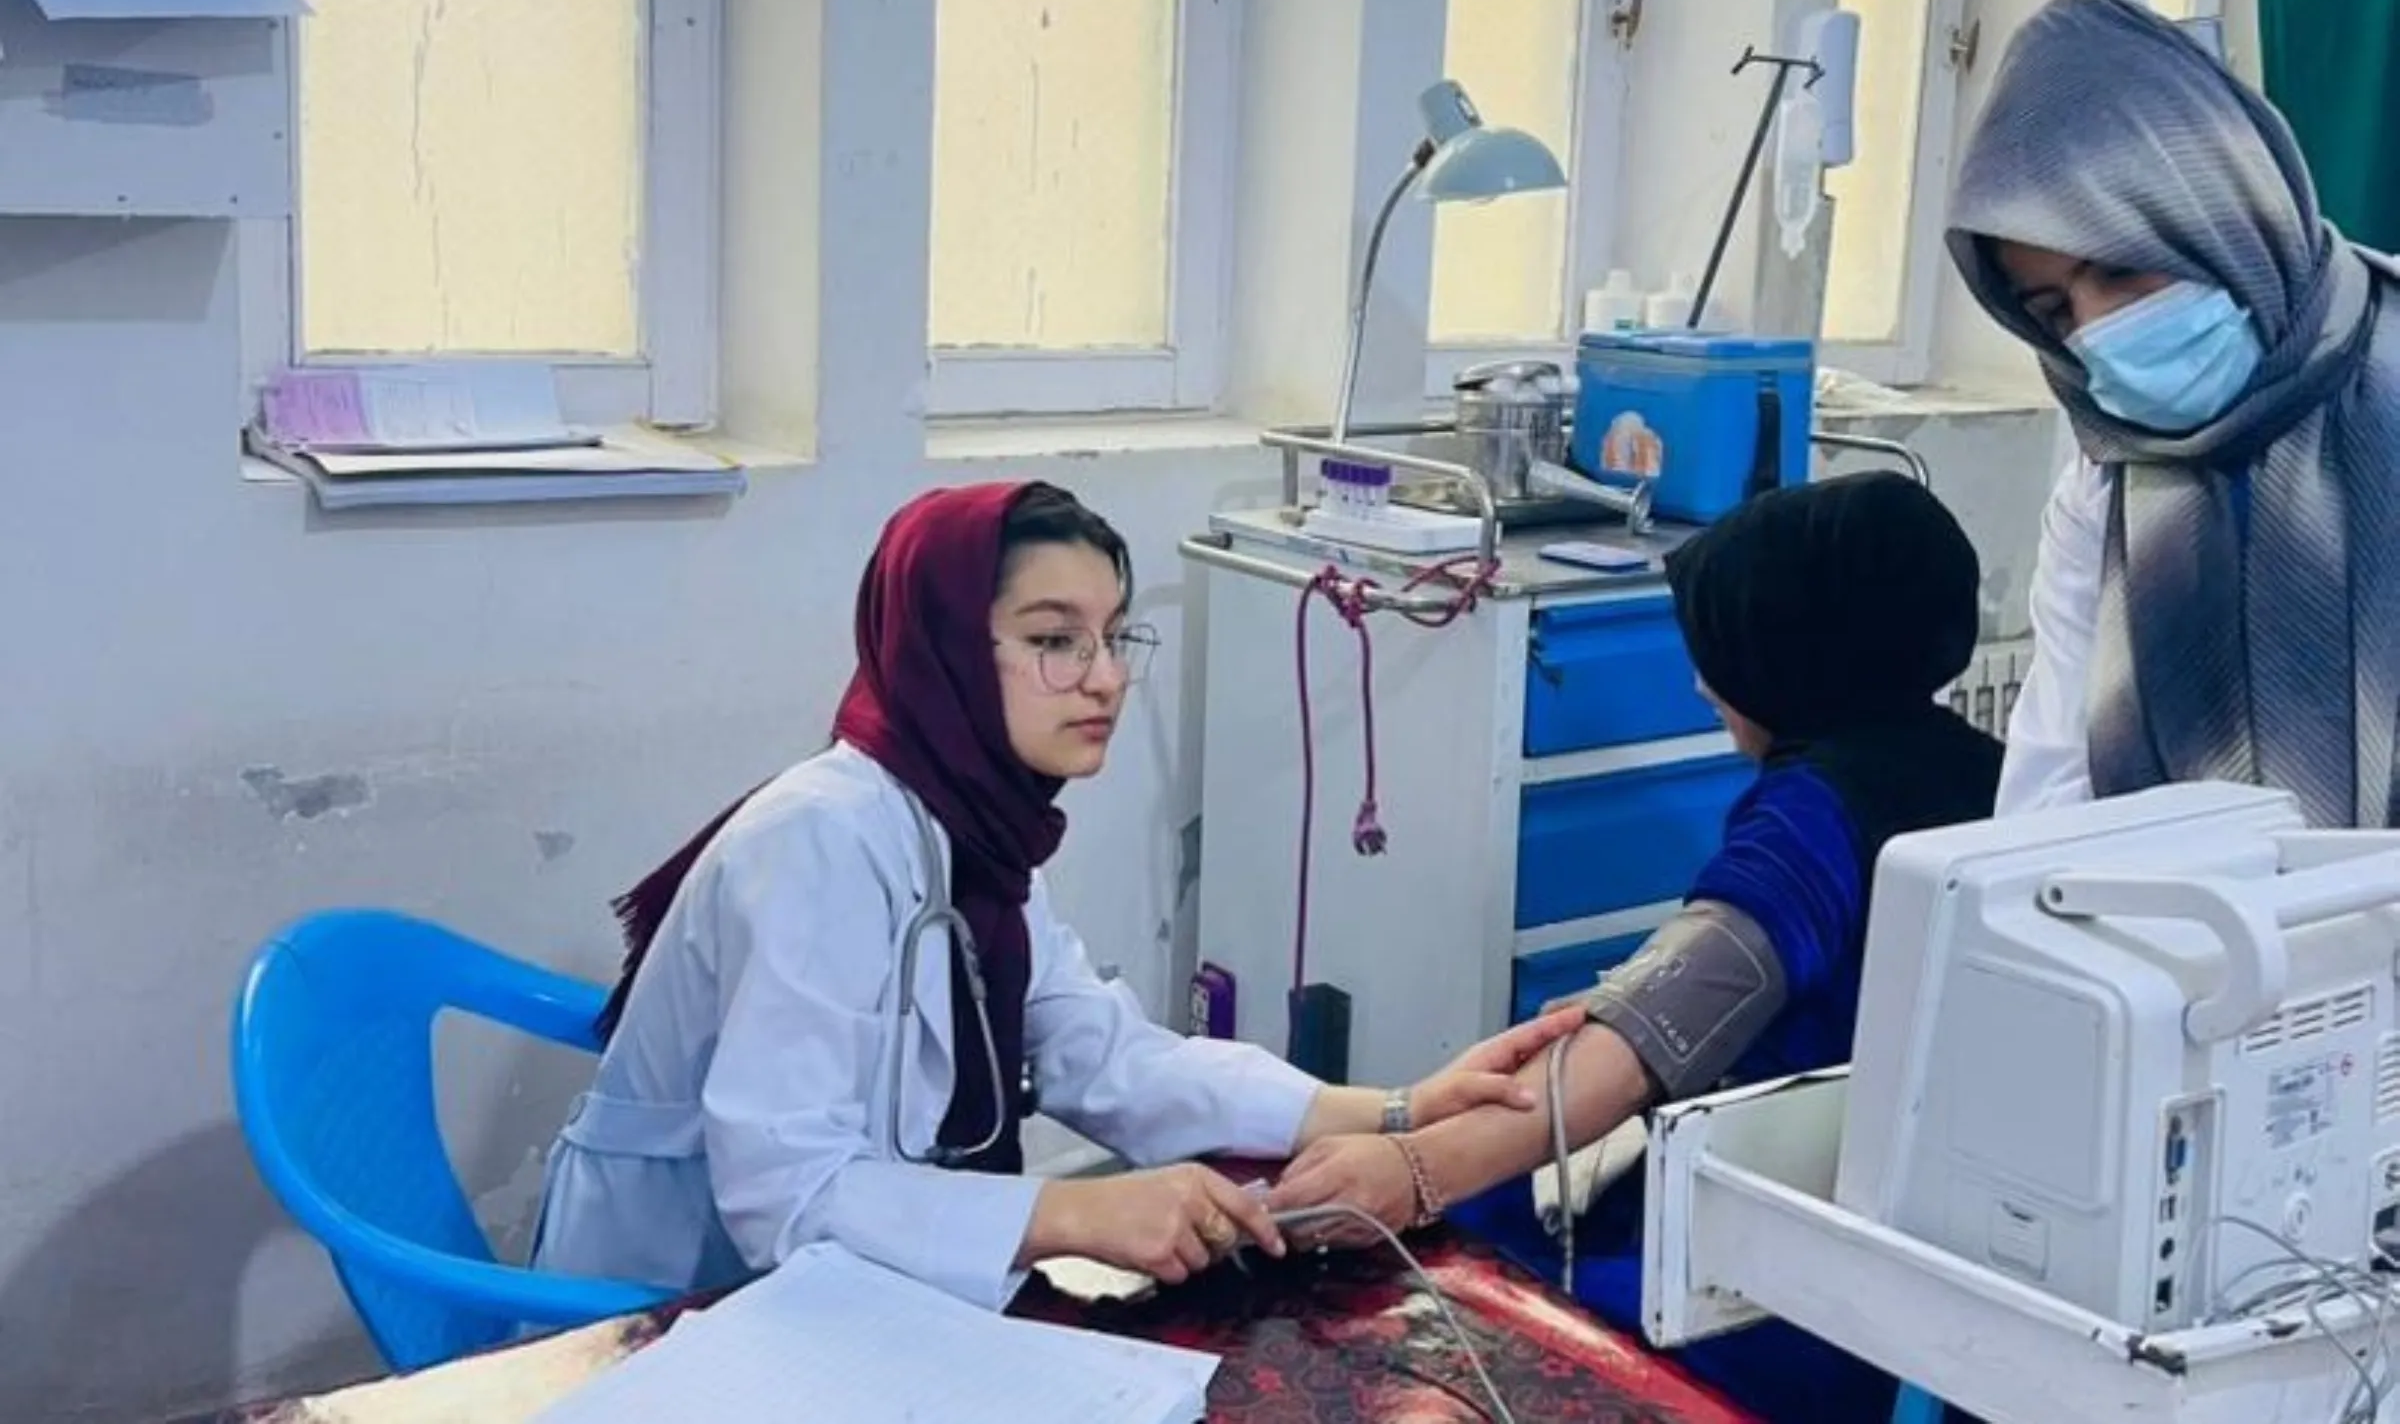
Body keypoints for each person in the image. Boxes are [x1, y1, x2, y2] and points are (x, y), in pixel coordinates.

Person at [528, 480, 1582, 1312]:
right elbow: (785, 1194)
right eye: (1052, 639)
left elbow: (1104, 1053)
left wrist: (1397, 1106)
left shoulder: (978, 829)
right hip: (677, 1300)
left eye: (1114, 634)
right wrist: (1071, 1212)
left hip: (844, 1286)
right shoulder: (820, 841)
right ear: (940, 644)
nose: (1105, 677)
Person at [1266, 472, 2004, 1419]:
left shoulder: (1812, 816)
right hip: (1919, 1241)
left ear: (1785, 652)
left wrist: (1411, 1176)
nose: (1700, 683)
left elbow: (1656, 1034)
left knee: (1436, 1272)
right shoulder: (1991, 770)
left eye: (1716, 651)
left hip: (1779, 1273)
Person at [1946, 0, 2400, 825]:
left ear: (2217, 211)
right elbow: (2055, 772)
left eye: (2121, 268)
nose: (2098, 332)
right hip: (2189, 935)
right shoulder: (2109, 477)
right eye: (2054, 311)